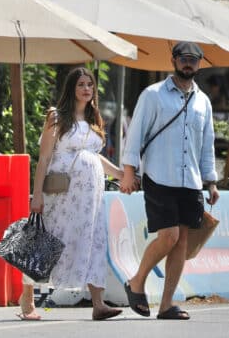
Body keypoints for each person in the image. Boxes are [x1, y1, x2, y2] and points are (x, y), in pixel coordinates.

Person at [120, 42, 219, 320]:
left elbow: (206, 145)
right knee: (170, 236)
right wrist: (129, 171)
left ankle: (166, 305)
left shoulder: (203, 102)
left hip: (191, 181)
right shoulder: (153, 95)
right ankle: (136, 281)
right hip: (159, 176)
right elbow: (135, 134)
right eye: (184, 58)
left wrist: (210, 182)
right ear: (174, 60)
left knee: (182, 242)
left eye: (194, 60)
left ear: (199, 64)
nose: (188, 63)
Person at [17, 67, 123, 321]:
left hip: (90, 200)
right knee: (48, 241)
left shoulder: (94, 118)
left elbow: (94, 157)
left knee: (94, 242)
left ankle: (98, 303)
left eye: (90, 85)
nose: (87, 88)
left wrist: (121, 174)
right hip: (62, 194)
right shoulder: (56, 116)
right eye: (81, 84)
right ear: (71, 89)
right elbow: (43, 158)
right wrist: (37, 195)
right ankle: (27, 296)